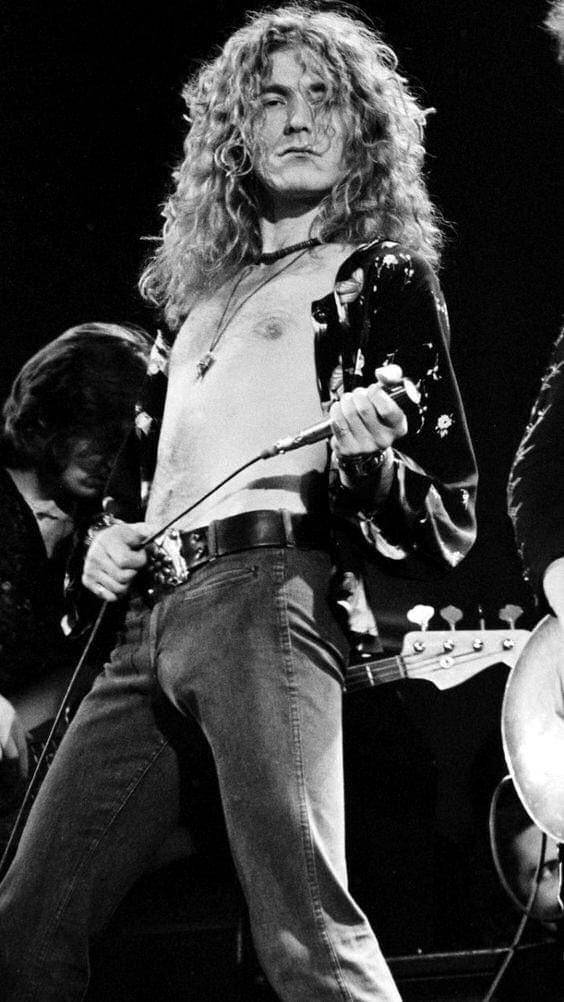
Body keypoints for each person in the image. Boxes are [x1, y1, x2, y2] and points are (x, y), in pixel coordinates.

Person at [0, 6, 477, 1001]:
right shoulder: (190, 307)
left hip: (265, 592)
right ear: (235, 134)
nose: (298, 118)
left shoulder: (374, 278)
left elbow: (446, 512)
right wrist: (100, 544)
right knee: (25, 929)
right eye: (271, 98)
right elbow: (136, 495)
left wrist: (368, 463)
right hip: (142, 628)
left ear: (362, 130)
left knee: (303, 927)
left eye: (322, 97)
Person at [0, 323, 150, 848]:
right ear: (50, 417)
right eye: (96, 432)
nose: (108, 456)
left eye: (122, 442)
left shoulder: (103, 521)